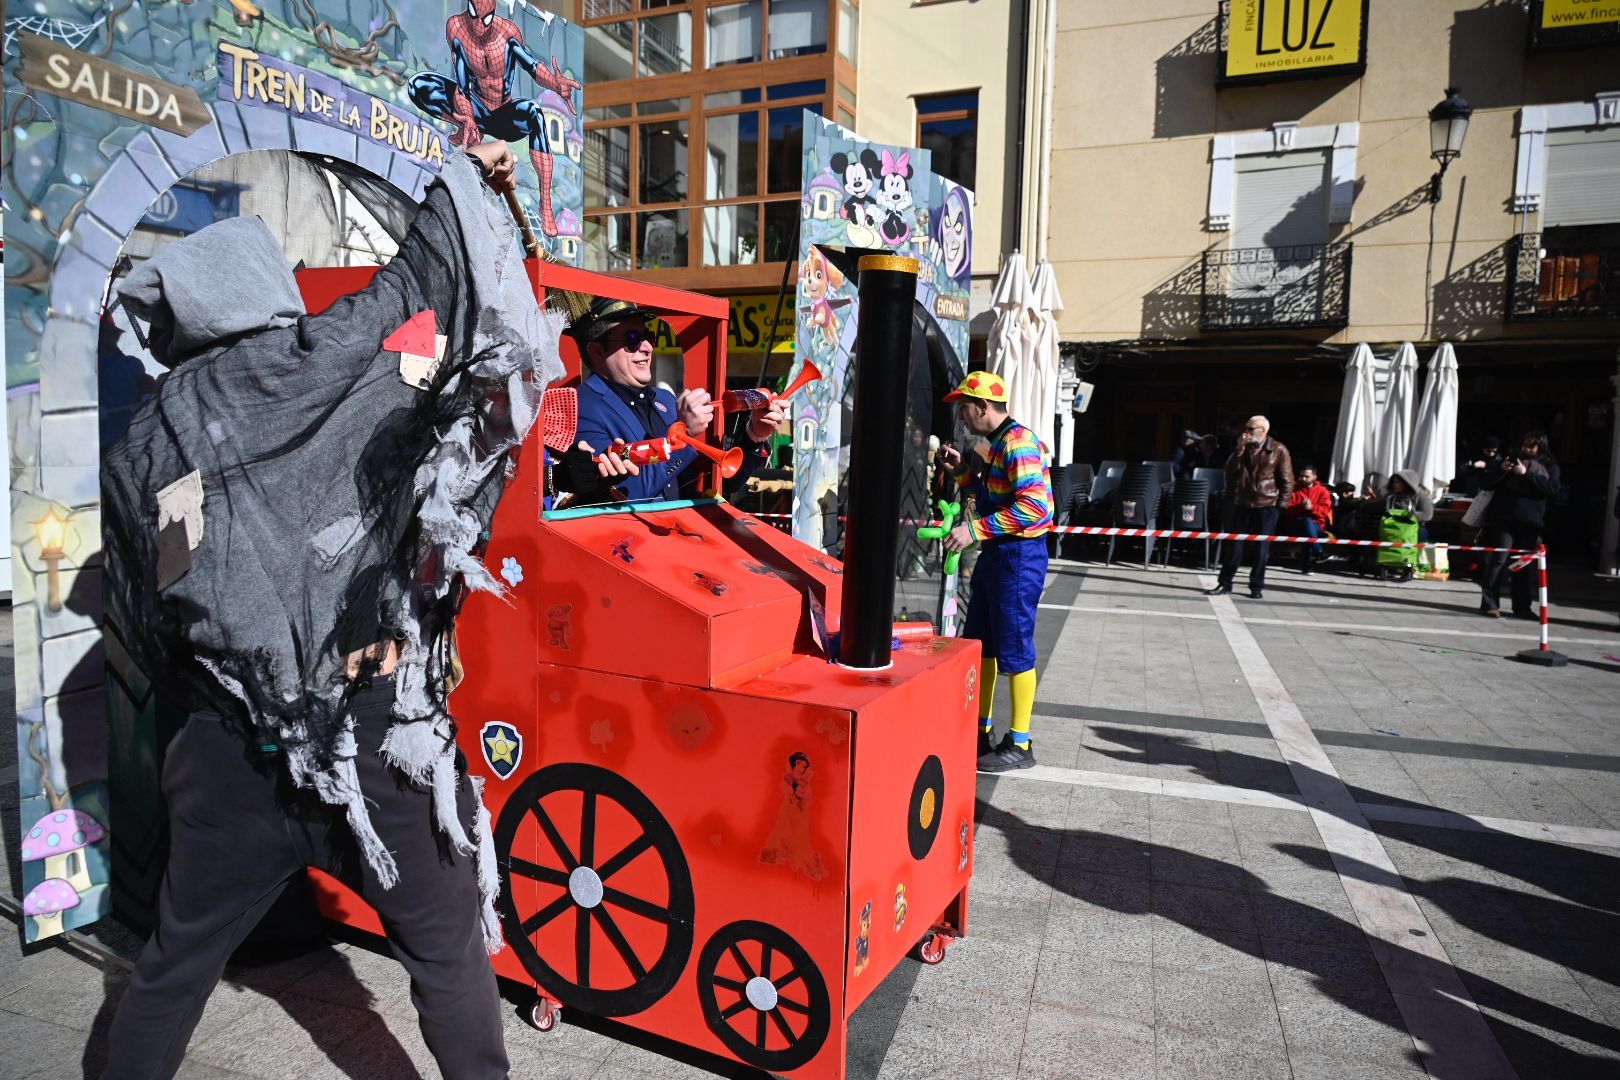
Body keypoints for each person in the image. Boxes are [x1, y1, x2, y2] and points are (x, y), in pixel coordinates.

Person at [100, 141, 530, 1080]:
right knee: (447, 955)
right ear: (264, 288)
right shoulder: (322, 360)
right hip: (379, 735)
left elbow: (150, 614)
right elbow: (428, 278)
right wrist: (465, 174)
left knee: (172, 969)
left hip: (230, 746)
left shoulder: (147, 444)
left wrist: (238, 683)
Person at [936, 372, 1053, 773]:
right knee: (982, 643)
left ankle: (1020, 741)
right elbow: (991, 497)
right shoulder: (996, 443)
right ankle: (979, 730)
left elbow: (1037, 508)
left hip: (1019, 557)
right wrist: (961, 471)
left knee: (1015, 648)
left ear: (982, 406)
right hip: (998, 554)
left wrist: (973, 530)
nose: (961, 417)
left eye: (963, 408)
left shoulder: (1018, 442)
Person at [574, 298, 782, 501]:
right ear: (597, 351)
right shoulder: (581, 406)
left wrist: (754, 436)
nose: (647, 347)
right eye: (632, 339)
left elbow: (724, 482)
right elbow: (625, 492)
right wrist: (684, 433)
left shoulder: (663, 399)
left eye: (649, 336)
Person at [1206, 415, 1292, 600]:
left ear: (1263, 431)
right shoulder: (1243, 449)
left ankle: (1256, 586)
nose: (1246, 432)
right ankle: (1225, 583)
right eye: (1246, 428)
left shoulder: (1278, 450)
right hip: (1243, 502)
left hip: (1267, 504)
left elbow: (1287, 479)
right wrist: (1238, 450)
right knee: (1234, 545)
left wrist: (1281, 506)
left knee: (1261, 548)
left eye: (1250, 429)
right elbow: (1229, 470)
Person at [1478, 430, 1559, 619]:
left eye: (1532, 446)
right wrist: (1501, 470)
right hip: (1504, 519)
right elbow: (1487, 484)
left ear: (1541, 447)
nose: (1527, 449)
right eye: (1524, 445)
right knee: (1498, 560)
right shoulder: (1510, 460)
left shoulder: (1549, 466)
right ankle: (1489, 604)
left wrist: (1527, 474)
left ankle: (1522, 607)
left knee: (1522, 565)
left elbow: (1552, 488)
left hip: (1530, 521)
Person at [1283, 464, 1333, 575]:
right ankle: (1319, 552)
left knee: (1308, 531)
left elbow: (1325, 511)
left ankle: (1308, 566)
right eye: (1301, 476)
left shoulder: (1322, 491)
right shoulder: (1294, 489)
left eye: (1306, 476)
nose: (1303, 479)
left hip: (1316, 524)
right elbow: (1285, 509)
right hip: (1295, 523)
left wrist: (1312, 508)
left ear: (1314, 477)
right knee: (1307, 525)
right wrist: (1300, 506)